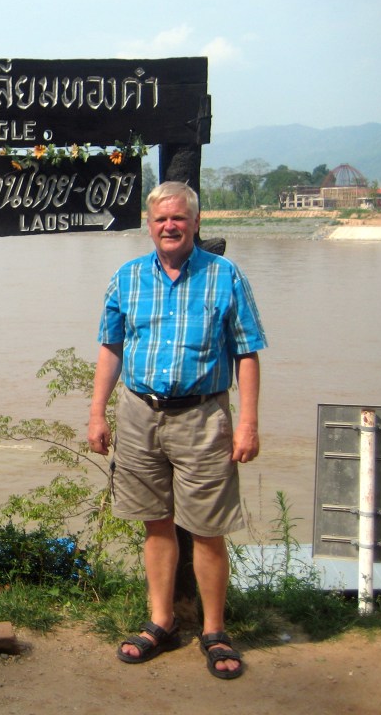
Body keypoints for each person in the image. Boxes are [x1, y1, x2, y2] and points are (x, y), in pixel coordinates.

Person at [87, 181, 266, 680]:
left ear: (195, 223)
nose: (170, 226)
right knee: (155, 523)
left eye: (179, 218)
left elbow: (248, 353)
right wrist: (97, 412)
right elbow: (111, 348)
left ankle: (213, 630)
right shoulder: (127, 278)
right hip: (140, 413)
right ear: (149, 225)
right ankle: (160, 621)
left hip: (204, 416)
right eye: (161, 219)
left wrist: (247, 423)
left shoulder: (225, 277)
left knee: (208, 528)